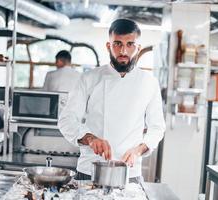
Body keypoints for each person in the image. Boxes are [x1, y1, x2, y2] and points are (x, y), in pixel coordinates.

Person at [58, 19, 166, 182]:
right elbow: (66, 120)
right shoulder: (89, 78)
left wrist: (138, 150)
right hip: (90, 170)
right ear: (108, 46)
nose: (123, 51)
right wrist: (90, 138)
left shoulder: (149, 82)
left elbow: (157, 128)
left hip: (129, 173)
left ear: (138, 48)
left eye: (130, 44)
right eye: (117, 44)